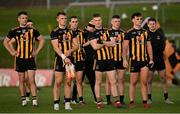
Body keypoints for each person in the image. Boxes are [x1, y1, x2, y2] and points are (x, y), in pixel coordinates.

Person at [3, 11, 44, 107]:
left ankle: (34, 100)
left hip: (30, 58)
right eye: (22, 18)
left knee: (31, 79)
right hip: (20, 59)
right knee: (21, 80)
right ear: (18, 19)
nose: (24, 19)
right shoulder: (14, 30)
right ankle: (24, 99)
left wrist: (36, 51)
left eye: (26, 18)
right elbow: (6, 42)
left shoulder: (33, 30)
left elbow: (42, 39)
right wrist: (12, 52)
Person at [90, 13, 122, 109]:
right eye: (96, 20)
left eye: (99, 20)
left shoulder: (108, 31)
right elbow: (95, 47)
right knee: (98, 82)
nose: (98, 22)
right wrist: (106, 43)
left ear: (101, 20)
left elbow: (113, 44)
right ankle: (99, 102)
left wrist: (102, 42)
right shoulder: (91, 33)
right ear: (93, 21)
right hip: (99, 60)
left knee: (113, 81)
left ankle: (117, 101)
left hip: (109, 59)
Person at [122, 12, 154, 108]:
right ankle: (132, 101)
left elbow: (149, 46)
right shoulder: (129, 33)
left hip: (144, 61)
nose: (139, 21)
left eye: (140, 19)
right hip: (134, 61)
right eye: (137, 19)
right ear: (133, 20)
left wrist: (151, 59)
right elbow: (124, 47)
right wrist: (124, 59)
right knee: (134, 82)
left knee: (144, 82)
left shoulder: (145, 32)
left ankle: (145, 102)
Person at [50, 12, 78, 111]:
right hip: (60, 59)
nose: (64, 20)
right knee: (58, 82)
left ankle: (67, 103)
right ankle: (56, 103)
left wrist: (70, 51)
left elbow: (76, 45)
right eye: (62, 18)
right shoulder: (55, 32)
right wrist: (63, 57)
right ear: (57, 19)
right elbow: (55, 47)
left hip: (70, 59)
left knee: (69, 81)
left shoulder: (71, 31)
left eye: (65, 18)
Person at [147, 17, 174, 104]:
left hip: (159, 60)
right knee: (149, 80)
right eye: (150, 24)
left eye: (153, 24)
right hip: (150, 60)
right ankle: (149, 98)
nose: (152, 25)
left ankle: (166, 98)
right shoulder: (145, 34)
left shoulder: (160, 34)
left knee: (163, 79)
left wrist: (152, 47)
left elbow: (162, 47)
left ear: (156, 24)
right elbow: (145, 48)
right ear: (148, 25)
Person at [106, 15, 126, 105]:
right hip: (110, 59)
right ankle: (108, 100)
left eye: (118, 21)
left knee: (121, 79)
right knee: (109, 80)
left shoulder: (123, 33)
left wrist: (125, 58)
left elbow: (125, 47)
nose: (117, 23)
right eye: (115, 21)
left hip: (121, 59)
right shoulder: (107, 32)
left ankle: (121, 100)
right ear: (111, 22)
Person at [69, 16, 86, 105]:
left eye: (76, 21)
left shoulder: (82, 33)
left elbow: (87, 42)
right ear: (70, 23)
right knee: (70, 80)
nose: (74, 23)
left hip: (80, 59)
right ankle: (67, 99)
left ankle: (81, 99)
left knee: (79, 80)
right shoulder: (67, 32)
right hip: (70, 60)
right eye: (73, 21)